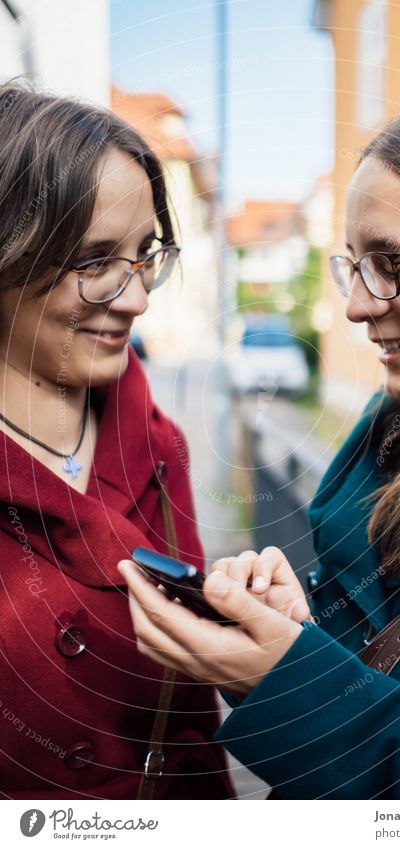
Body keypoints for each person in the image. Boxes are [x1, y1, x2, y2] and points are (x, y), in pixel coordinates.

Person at [120, 92, 400, 800]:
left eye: (392, 261)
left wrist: (299, 693)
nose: (354, 304)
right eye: (353, 264)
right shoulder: (389, 430)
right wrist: (303, 639)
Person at [0, 82, 233, 800]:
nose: (135, 296)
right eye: (94, 260)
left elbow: (191, 717)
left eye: (144, 255)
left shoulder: (158, 444)